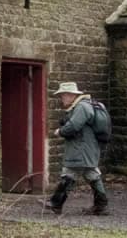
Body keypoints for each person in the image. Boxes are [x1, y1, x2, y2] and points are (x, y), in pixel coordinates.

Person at [45, 80, 110, 215]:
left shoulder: (81, 107)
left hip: (80, 148)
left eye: (62, 95)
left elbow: (73, 126)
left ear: (70, 95)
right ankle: (101, 206)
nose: (61, 98)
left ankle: (56, 203)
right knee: (91, 174)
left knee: (69, 172)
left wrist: (60, 131)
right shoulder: (85, 105)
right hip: (86, 147)